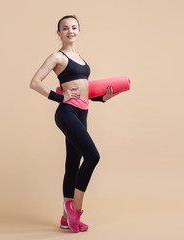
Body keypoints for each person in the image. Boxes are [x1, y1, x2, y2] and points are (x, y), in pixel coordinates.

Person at [29, 15, 119, 233]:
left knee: (72, 163)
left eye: (74, 27)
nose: (70, 31)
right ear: (58, 33)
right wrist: (60, 98)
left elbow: (85, 92)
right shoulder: (56, 57)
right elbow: (34, 83)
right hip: (67, 112)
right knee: (93, 156)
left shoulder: (81, 58)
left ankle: (64, 218)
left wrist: (101, 98)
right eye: (65, 28)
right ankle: (75, 211)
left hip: (82, 112)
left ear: (79, 31)